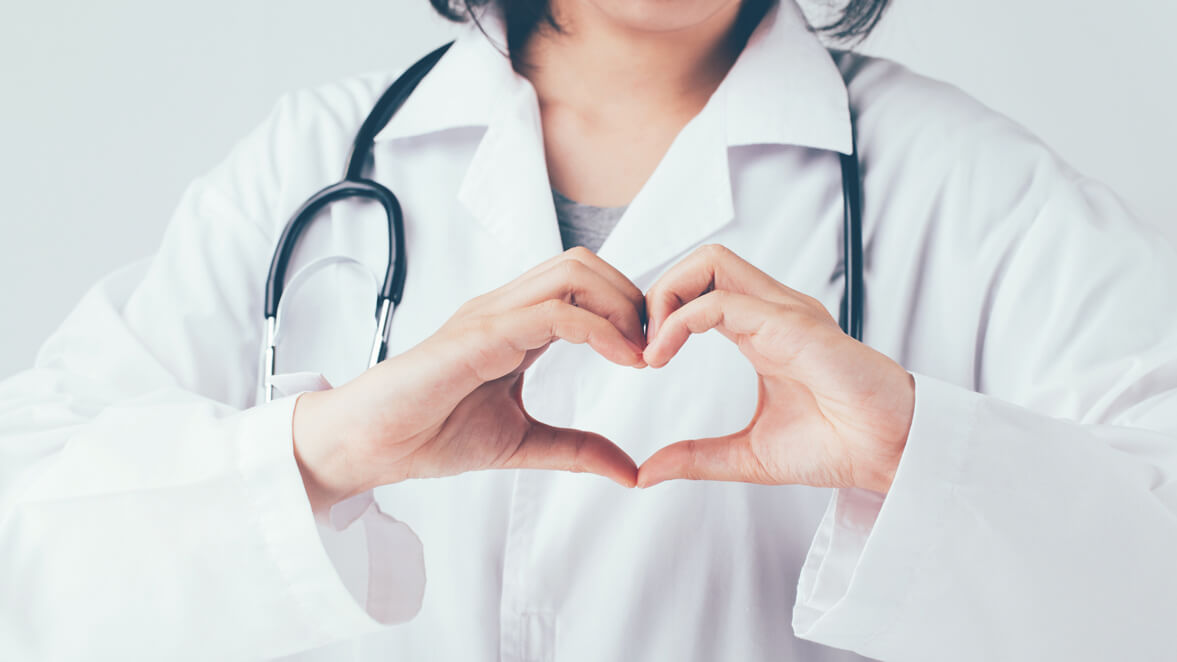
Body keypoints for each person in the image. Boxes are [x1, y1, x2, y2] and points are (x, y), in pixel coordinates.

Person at [2, 0, 1176, 659]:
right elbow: (27, 547)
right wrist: (321, 452)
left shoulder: (975, 193)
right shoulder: (308, 165)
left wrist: (918, 451)